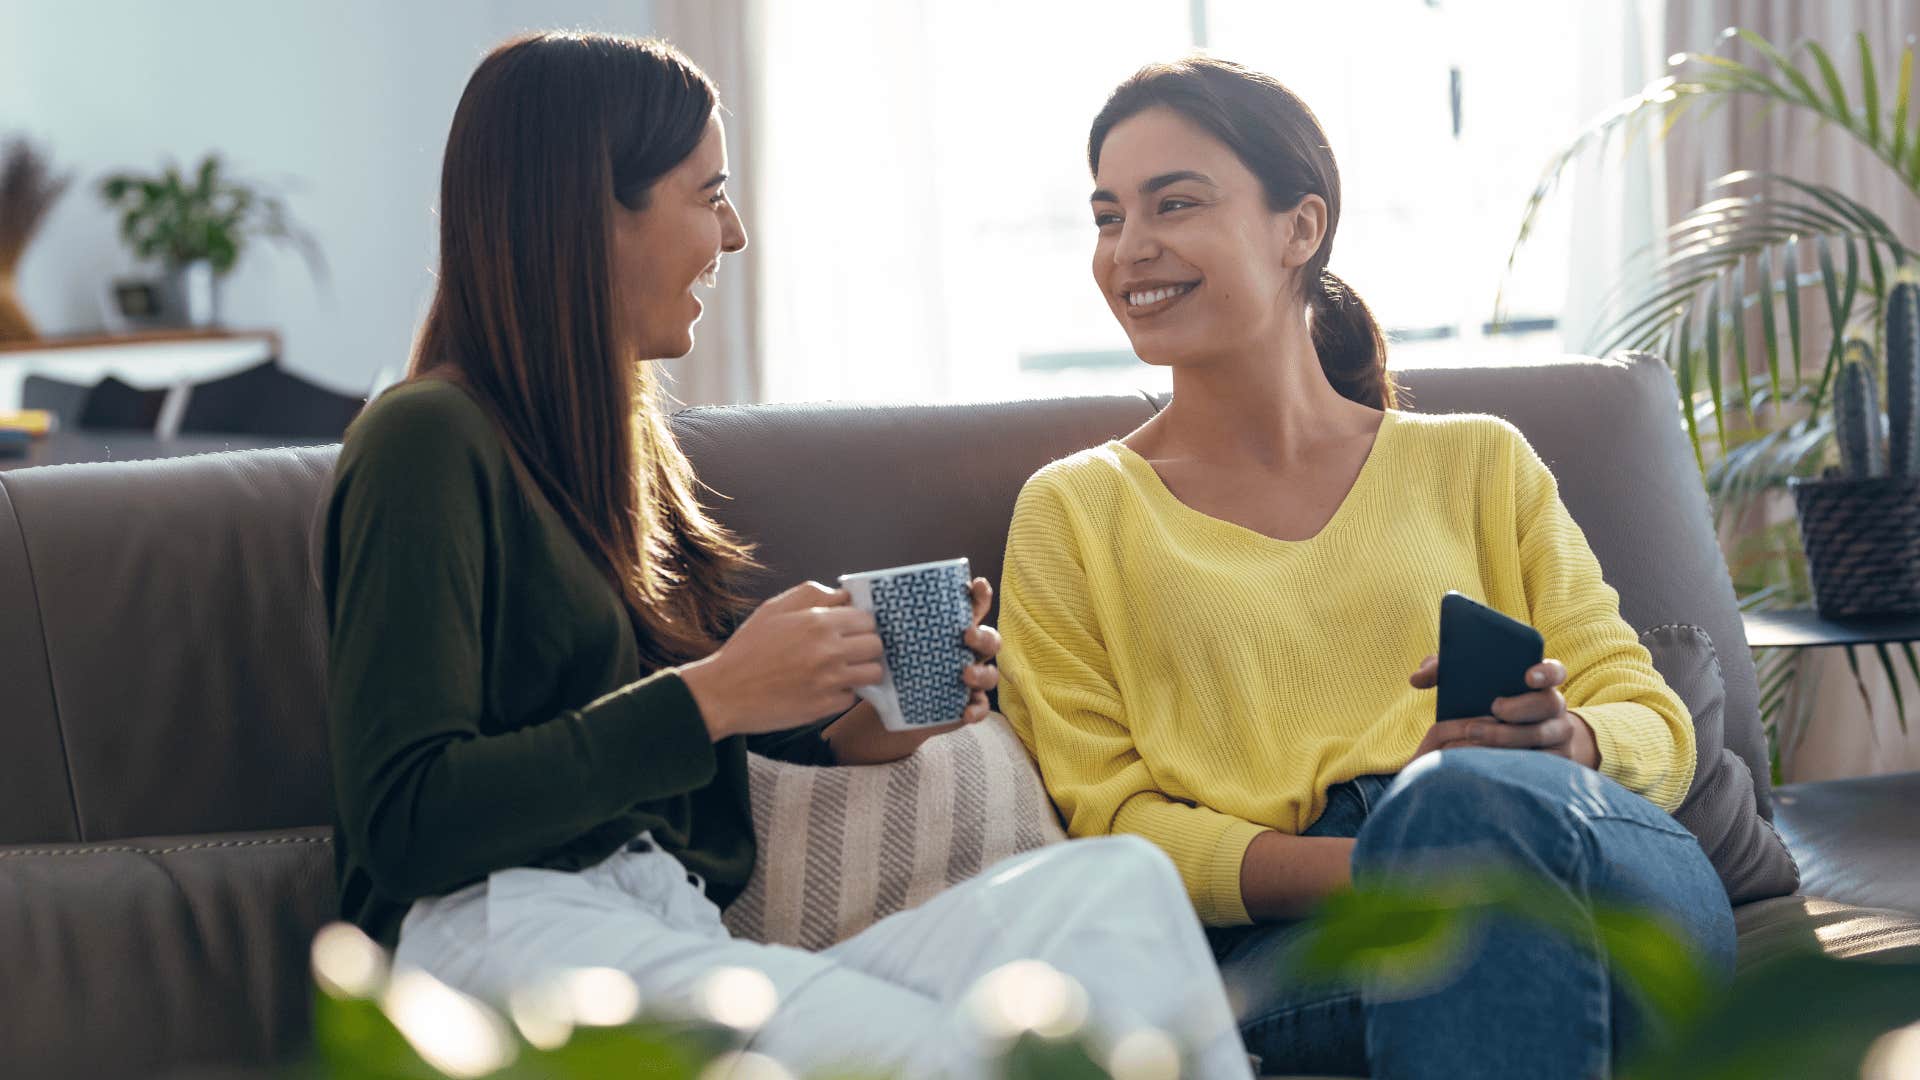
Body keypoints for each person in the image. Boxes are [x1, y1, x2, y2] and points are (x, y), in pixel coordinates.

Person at [320, 32, 1250, 1079]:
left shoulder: (617, 456)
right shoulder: (426, 439)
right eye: (706, 192)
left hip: (662, 928)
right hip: (494, 942)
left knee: (1114, 891)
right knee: (950, 1056)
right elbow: (405, 822)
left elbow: (659, 770)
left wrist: (855, 733)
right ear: (590, 214)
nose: (735, 231)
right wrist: (715, 695)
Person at [997, 56, 1736, 1079]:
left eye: (1174, 203)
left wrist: (1572, 743)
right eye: (1108, 216)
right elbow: (1112, 820)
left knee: (1474, 805)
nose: (1131, 248)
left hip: (1585, 852)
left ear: (1299, 227)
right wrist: (1405, 868)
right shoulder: (1075, 511)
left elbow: (1653, 721)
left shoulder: (1479, 460)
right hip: (1311, 931)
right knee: (1488, 912)